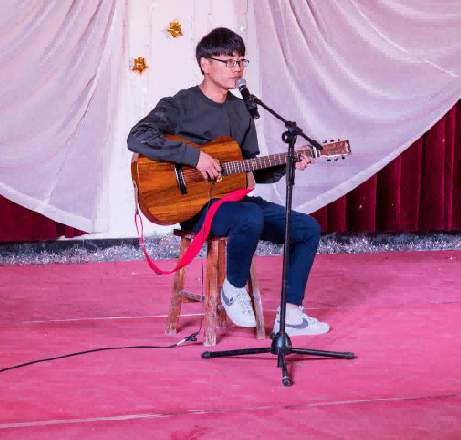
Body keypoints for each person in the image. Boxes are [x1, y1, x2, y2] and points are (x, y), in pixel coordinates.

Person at [127, 27, 329, 336]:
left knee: (307, 228)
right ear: (205, 64)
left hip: (234, 204)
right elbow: (137, 136)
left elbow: (248, 169)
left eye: (240, 61)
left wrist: (289, 162)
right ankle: (233, 289)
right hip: (195, 207)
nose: (237, 68)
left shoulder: (241, 110)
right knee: (249, 215)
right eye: (229, 61)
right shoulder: (180, 104)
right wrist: (193, 157)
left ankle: (290, 314)